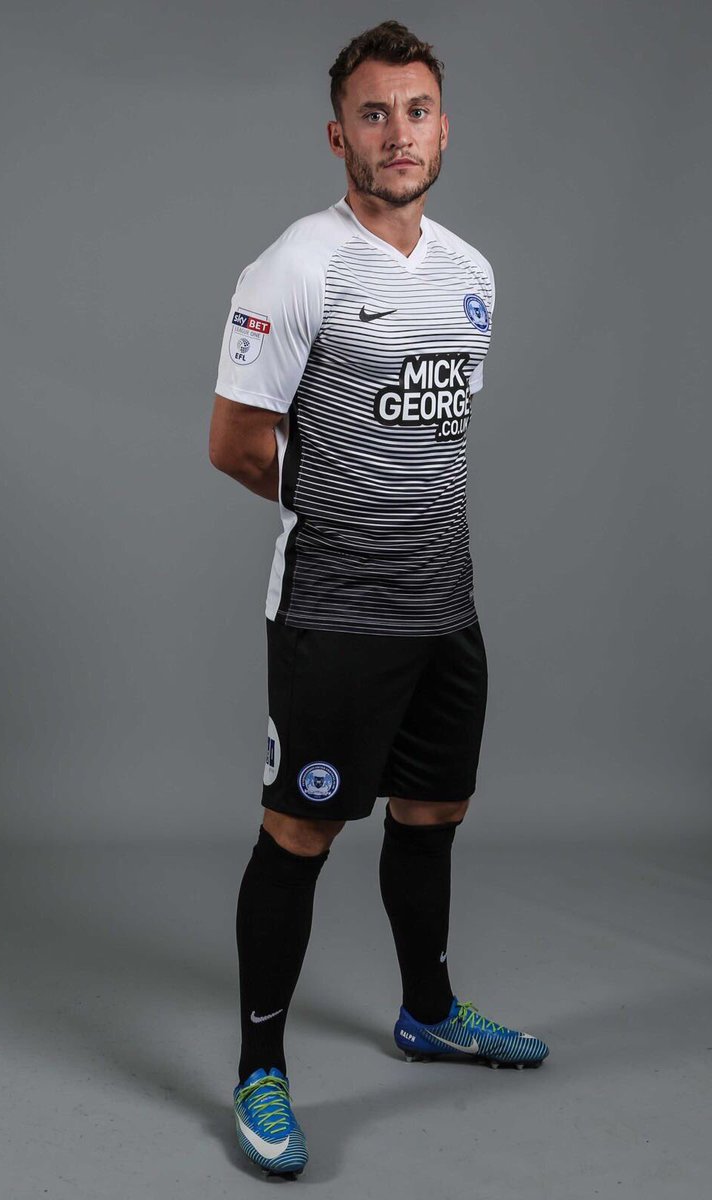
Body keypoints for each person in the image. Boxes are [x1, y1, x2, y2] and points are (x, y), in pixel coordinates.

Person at [209, 19, 549, 1180]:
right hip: (333, 617)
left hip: (443, 609)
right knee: (300, 832)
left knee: (432, 814)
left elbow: (433, 438)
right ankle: (259, 1069)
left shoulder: (471, 274)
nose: (396, 134)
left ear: (442, 130)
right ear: (336, 136)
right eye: (372, 113)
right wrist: (345, 509)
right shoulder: (296, 265)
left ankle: (428, 1012)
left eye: (415, 112)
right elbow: (235, 444)